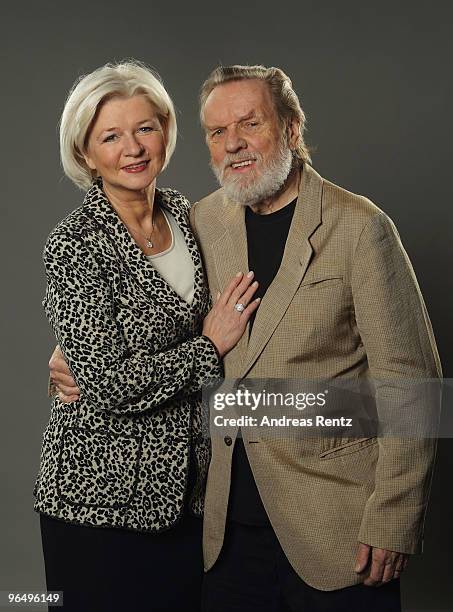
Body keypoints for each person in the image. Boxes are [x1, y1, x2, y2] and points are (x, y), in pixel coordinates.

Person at [50, 64, 442, 612]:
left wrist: (395, 516)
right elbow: (153, 319)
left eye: (249, 124)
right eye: (216, 131)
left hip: (336, 524)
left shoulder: (361, 227)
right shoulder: (203, 221)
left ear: (292, 127)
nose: (233, 144)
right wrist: (76, 356)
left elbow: (410, 384)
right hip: (223, 534)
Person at [35, 60, 259, 612]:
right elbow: (109, 382)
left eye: (145, 128)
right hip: (98, 507)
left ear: (166, 132)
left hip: (193, 502)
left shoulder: (194, 216)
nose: (132, 148)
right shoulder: (73, 246)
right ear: (86, 153)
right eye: (111, 136)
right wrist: (208, 349)